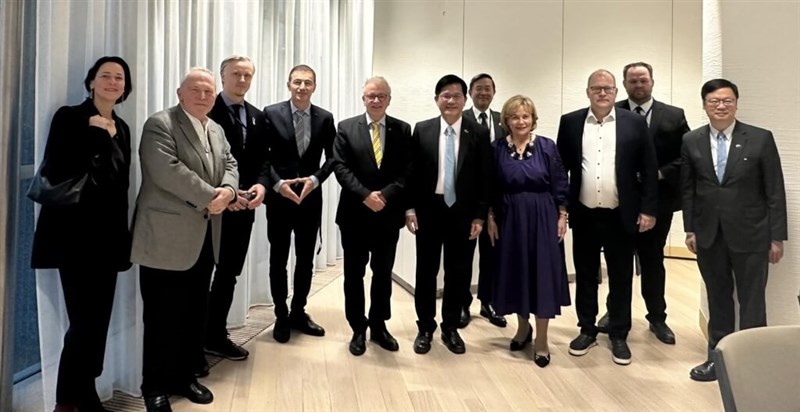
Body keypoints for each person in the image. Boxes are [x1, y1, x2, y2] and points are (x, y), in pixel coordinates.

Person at [131, 67, 239, 412]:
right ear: (180, 92)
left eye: (209, 91)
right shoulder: (160, 124)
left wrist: (228, 189)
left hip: (205, 238)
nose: (204, 96)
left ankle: (183, 376)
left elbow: (230, 163)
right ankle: (155, 387)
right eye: (196, 90)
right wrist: (214, 196)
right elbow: (167, 171)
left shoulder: (216, 129)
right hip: (166, 240)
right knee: (162, 317)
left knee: (194, 312)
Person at [31, 56, 133, 412]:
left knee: (98, 321)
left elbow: (119, 187)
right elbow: (62, 167)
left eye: (119, 77)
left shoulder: (123, 127)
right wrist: (96, 133)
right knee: (83, 322)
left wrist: (125, 241)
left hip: (108, 240)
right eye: (105, 75)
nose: (112, 82)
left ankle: (86, 394)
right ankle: (65, 401)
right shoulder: (69, 116)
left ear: (125, 88)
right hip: (74, 239)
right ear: (91, 82)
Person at [682, 78, 787, 382]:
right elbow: (688, 189)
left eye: (727, 100)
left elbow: (774, 190)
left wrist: (776, 236)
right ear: (705, 105)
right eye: (714, 101)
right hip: (709, 235)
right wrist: (690, 229)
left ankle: (756, 364)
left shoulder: (760, 138)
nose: (721, 106)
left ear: (736, 103)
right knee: (718, 299)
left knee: (753, 301)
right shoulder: (691, 140)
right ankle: (719, 360)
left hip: (752, 235)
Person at [556, 69, 658, 366]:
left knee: (621, 275)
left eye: (608, 89)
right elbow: (562, 171)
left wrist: (649, 209)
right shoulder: (571, 122)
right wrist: (561, 208)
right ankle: (587, 329)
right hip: (584, 213)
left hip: (620, 214)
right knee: (586, 274)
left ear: (616, 92)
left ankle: (618, 334)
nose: (602, 93)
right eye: (596, 88)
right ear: (588, 92)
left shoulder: (634, 123)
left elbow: (649, 169)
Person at [595, 62, 690, 345]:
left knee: (652, 261)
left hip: (659, 203)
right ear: (624, 84)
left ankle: (657, 318)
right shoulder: (612, 112)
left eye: (643, 80)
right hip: (619, 203)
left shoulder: (674, 115)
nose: (639, 85)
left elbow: (686, 157)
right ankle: (615, 313)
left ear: (652, 82)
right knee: (618, 262)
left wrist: (658, 173)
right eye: (633, 81)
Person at [406, 74, 491, 355]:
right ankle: (425, 328)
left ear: (465, 100)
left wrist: (480, 216)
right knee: (426, 272)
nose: (451, 100)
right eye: (445, 95)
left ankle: (451, 327)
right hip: (429, 211)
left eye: (456, 95)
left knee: (459, 273)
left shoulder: (477, 133)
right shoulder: (423, 129)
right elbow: (412, 175)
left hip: (464, 215)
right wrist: (410, 209)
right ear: (436, 100)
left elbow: (483, 178)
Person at [487, 95, 570, 368]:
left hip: (543, 216)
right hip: (509, 217)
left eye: (526, 116)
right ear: (506, 121)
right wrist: (490, 216)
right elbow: (490, 187)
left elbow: (560, 183)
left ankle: (542, 339)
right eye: (515, 116)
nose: (521, 121)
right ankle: (523, 329)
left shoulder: (547, 147)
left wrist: (562, 215)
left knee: (542, 274)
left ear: (533, 119)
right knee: (516, 272)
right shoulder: (497, 148)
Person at [333, 76, 411, 356]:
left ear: (389, 99)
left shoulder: (403, 130)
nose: (375, 100)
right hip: (354, 215)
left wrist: (385, 195)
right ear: (363, 98)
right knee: (353, 274)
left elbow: (407, 171)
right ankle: (357, 328)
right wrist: (366, 195)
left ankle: (379, 325)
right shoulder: (345, 128)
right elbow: (340, 168)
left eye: (381, 96)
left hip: (387, 215)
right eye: (370, 96)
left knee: (382, 273)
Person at [263, 64, 336, 343]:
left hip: (309, 198)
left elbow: (333, 158)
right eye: (297, 82)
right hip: (280, 198)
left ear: (314, 86)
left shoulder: (325, 118)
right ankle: (280, 314)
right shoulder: (271, 113)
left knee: (305, 259)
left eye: (307, 83)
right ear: (288, 84)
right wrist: (278, 184)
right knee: (278, 258)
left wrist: (316, 180)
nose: (302, 87)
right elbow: (263, 157)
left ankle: (298, 311)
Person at [204, 55, 269, 364]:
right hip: (211, 209)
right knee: (201, 277)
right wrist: (227, 194)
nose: (242, 80)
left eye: (247, 75)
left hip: (245, 209)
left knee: (229, 274)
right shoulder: (206, 110)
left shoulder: (257, 116)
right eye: (236, 74)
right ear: (223, 76)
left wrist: (261, 185)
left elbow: (263, 160)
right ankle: (194, 342)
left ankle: (215, 335)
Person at [460, 73, 508, 328]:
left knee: (493, 255)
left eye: (488, 89)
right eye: (478, 89)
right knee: (465, 255)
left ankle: (488, 302)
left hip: (498, 201)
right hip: (469, 201)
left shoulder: (503, 120)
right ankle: (462, 304)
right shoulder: (461, 118)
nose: (483, 93)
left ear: (494, 91)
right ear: (470, 92)